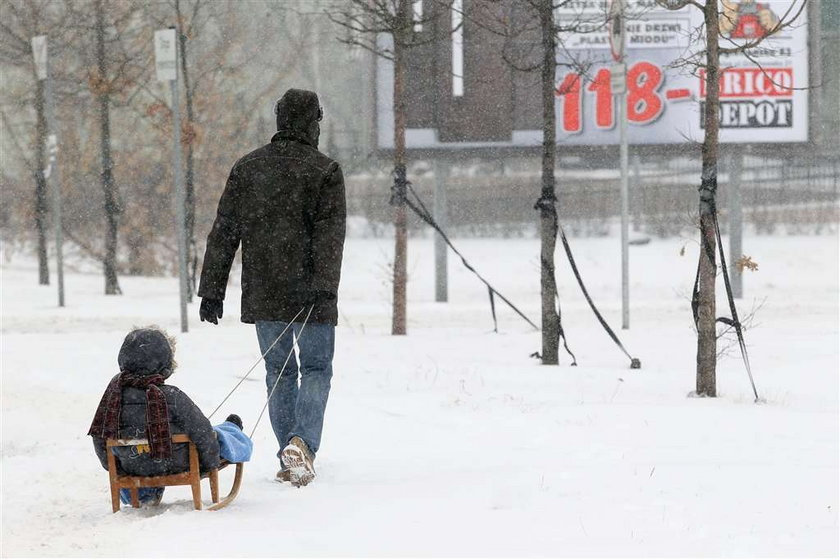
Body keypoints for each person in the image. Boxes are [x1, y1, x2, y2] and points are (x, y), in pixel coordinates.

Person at [198, 88, 346, 488]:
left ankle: (289, 452)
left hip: (265, 288)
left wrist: (212, 288)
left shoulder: (248, 168)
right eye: (318, 121)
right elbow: (329, 238)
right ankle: (302, 446)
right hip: (313, 291)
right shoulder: (325, 171)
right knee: (316, 368)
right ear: (311, 123)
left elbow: (224, 230)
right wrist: (324, 285)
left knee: (279, 372)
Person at [88, 327, 253, 506]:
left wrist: (117, 470)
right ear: (165, 364)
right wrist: (208, 465)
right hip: (176, 463)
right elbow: (202, 432)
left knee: (144, 447)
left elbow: (100, 438)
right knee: (219, 435)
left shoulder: (113, 400)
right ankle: (233, 429)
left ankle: (145, 493)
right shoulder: (172, 396)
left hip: (135, 466)